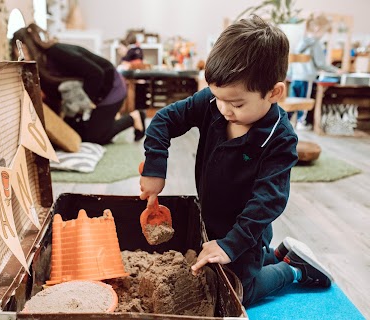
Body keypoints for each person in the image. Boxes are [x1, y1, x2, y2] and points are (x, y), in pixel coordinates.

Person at [139, 16, 333, 307]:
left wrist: (233, 244)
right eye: (218, 98)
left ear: (274, 93)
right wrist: (155, 166)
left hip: (246, 229)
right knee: (216, 265)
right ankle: (278, 253)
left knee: (240, 290)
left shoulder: (279, 138)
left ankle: (292, 269)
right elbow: (164, 119)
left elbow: (268, 200)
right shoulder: (213, 101)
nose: (224, 109)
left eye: (237, 104)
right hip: (212, 218)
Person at [11, 23, 146, 145]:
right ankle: (105, 120)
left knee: (95, 137)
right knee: (77, 133)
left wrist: (88, 105)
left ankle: (134, 117)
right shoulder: (40, 70)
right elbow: (55, 98)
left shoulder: (56, 52)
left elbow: (96, 73)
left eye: (21, 49)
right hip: (91, 93)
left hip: (111, 86)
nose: (19, 54)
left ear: (28, 45)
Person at [287, 13, 343, 130]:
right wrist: (336, 70)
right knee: (304, 101)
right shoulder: (316, 43)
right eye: (324, 32)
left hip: (295, 77)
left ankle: (287, 123)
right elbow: (320, 63)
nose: (323, 35)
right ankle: (302, 122)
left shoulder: (300, 41)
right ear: (318, 29)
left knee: (293, 100)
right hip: (307, 77)